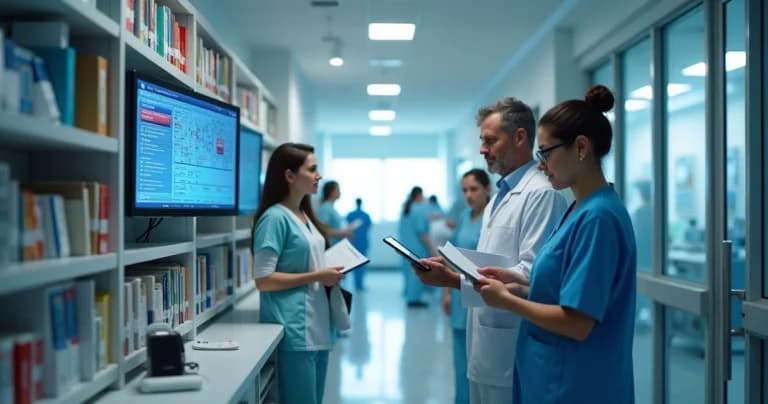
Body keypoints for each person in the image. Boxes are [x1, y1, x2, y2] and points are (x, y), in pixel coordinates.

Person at [475, 85, 637, 403]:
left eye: (546, 153)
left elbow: (577, 322)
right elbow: (563, 289)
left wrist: (506, 301)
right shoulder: (579, 209)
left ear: (580, 147)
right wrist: (521, 286)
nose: (541, 164)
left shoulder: (598, 218)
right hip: (551, 375)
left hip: (576, 384)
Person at [412, 97, 567, 401]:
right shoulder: (498, 197)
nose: (482, 149)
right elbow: (490, 268)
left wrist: (455, 280)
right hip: (485, 341)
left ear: (520, 137)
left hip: (513, 349)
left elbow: (533, 275)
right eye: (482, 141)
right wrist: (452, 276)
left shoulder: (541, 194)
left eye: (490, 140)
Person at [251, 143, 345, 404]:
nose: (319, 175)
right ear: (290, 176)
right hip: (294, 330)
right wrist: (318, 276)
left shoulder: (304, 215)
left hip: (317, 326)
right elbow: (263, 280)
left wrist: (330, 272)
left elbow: (310, 263)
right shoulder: (274, 219)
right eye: (312, 169)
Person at [441, 168, 491, 404]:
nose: (468, 195)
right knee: (461, 362)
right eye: (464, 190)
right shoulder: (464, 217)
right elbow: (452, 255)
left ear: (487, 189)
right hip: (459, 293)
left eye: (474, 189)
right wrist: (446, 292)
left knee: (481, 362)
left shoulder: (493, 217)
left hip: (483, 296)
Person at [399, 186, 434, 307]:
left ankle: (410, 296)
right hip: (416, 247)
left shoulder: (406, 209)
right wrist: (431, 248)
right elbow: (422, 233)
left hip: (405, 246)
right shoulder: (419, 211)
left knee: (408, 273)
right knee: (415, 273)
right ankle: (414, 299)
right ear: (419, 195)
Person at [346, 198, 372, 290]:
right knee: (362, 263)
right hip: (363, 241)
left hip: (353, 241)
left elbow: (348, 227)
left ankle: (357, 283)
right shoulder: (366, 215)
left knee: (355, 262)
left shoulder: (350, 215)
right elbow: (369, 227)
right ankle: (360, 283)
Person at [317, 180, 353, 246]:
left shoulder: (332, 208)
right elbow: (323, 230)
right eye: (338, 190)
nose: (340, 192)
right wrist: (343, 233)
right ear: (331, 192)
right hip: (330, 246)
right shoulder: (325, 208)